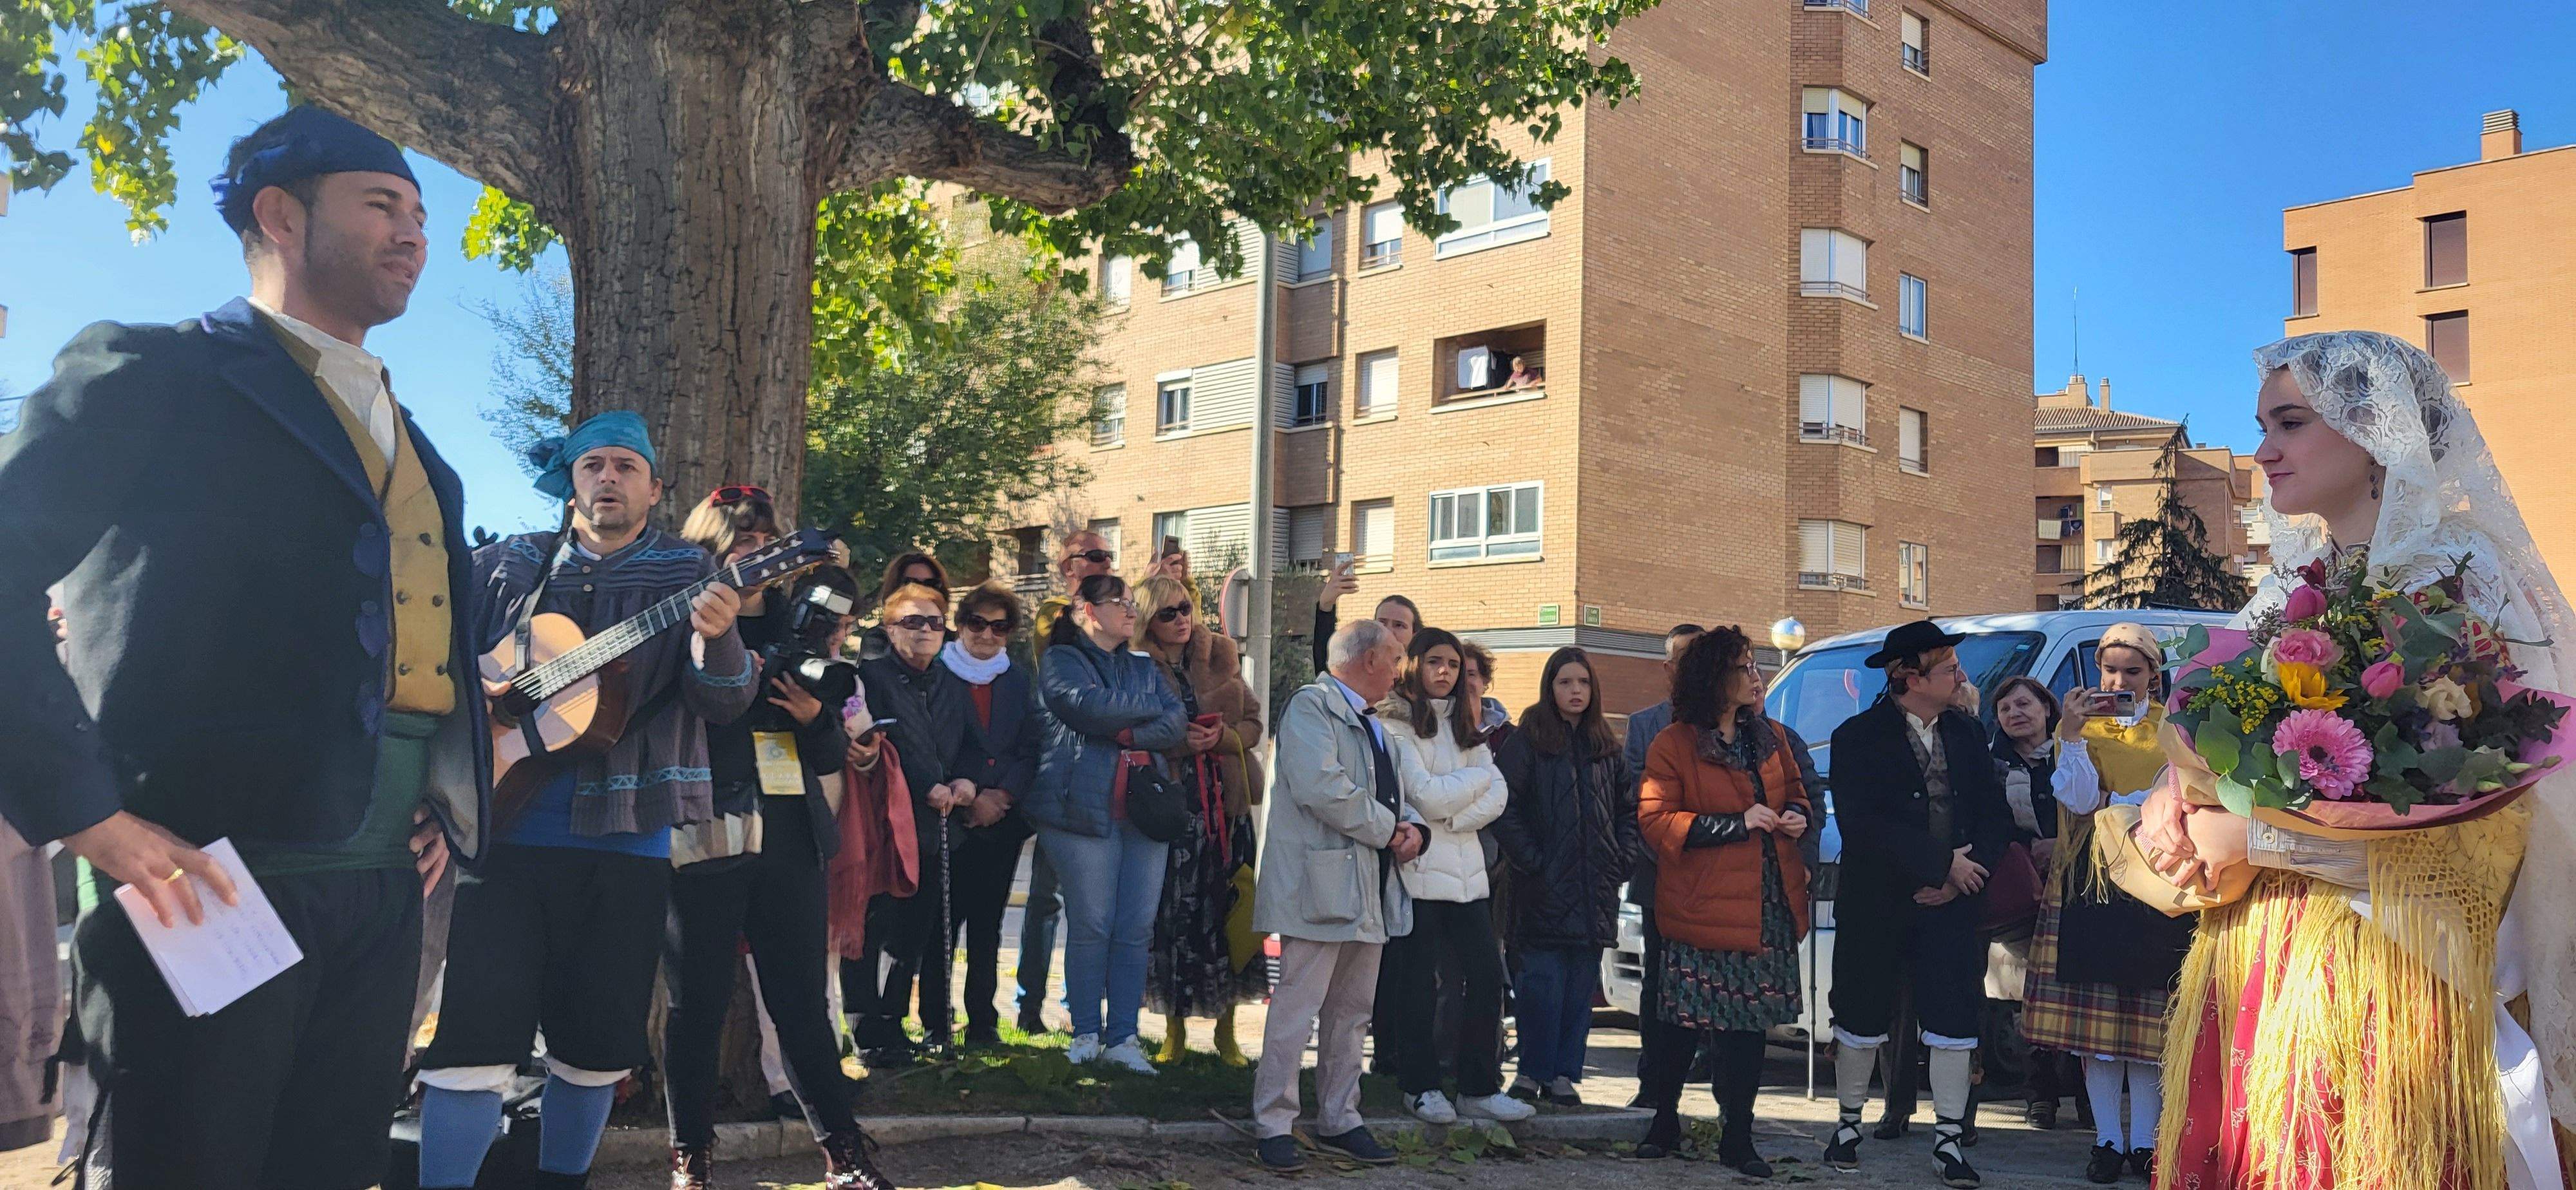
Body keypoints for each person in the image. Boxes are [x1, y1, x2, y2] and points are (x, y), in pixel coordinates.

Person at [0, 106, 482, 1189]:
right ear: (280, 213)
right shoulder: (156, 372)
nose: (415, 232)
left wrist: (442, 800)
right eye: (383, 204)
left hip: (384, 886)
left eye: (421, 214)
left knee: (331, 1168)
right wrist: (88, 813)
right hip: (200, 879)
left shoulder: (429, 456)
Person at [2122, 332, 2576, 1189]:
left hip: (2389, 977)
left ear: (2376, 434)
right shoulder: (2283, 589)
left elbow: (2488, 830)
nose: (2262, 452)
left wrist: (2259, 842)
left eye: (2290, 424)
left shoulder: (2467, 584)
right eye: (2262, 426)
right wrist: (2167, 796)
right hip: (2261, 955)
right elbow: (2204, 740)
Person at [416, 411, 762, 1189]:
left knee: (595, 1048)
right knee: (473, 1042)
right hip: (500, 836)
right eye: (593, 466)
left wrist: (720, 639)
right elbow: (432, 668)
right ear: (571, 484)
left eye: (625, 467)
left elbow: (725, 702)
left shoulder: (690, 577)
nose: (608, 478)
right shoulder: (506, 564)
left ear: (655, 486)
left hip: (625, 838)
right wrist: (483, 693)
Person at [662, 489, 882, 1189]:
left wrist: (817, 714)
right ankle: (691, 1159)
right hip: (702, 825)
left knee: (800, 1006)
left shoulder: (806, 625)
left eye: (761, 541)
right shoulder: (683, 625)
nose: (750, 552)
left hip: (789, 831)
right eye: (735, 541)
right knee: (694, 1006)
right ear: (707, 550)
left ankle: (845, 1156)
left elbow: (825, 756)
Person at [1819, 620, 2012, 1188]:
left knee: (1955, 1015)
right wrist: (1938, 865)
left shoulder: (1967, 733)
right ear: (1910, 676)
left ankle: (1949, 1141)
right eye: (1948, 666)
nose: (1960, 674)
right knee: (1859, 1012)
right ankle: (1848, 1128)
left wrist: (1961, 878)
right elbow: (1864, 826)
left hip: (1952, 904)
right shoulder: (1856, 736)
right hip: (1877, 902)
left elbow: (1992, 816)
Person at [1249, 621, 1429, 1172]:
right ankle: (1274, 1123)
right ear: (1369, 658)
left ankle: (1340, 1117)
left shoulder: (1377, 726)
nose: (1400, 672)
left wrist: (1416, 831)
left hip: (1367, 890)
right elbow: (1321, 787)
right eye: (1395, 659)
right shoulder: (1312, 708)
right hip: (1318, 888)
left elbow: (1397, 795)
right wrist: (1389, 829)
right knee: (1297, 1010)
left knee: (1352, 1014)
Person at [1636, 627, 1813, 1175]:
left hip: (1766, 904)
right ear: (1715, 679)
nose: (1756, 675)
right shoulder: (1675, 743)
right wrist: (1734, 824)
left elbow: (1800, 793)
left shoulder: (1772, 738)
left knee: (1748, 1027)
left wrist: (1798, 816)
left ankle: (1739, 1135)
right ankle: (1663, 1119)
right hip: (1702, 904)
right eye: (1744, 666)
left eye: (1755, 664)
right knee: (1680, 1023)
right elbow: (1654, 820)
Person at [2021, 625, 2194, 1184]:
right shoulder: (2080, 728)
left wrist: (2112, 800)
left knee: (2145, 1026)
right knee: (2098, 1032)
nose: (2118, 681)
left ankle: (2145, 1142)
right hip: (2089, 879)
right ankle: (2107, 1141)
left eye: (2132, 672)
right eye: (2110, 671)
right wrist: (2070, 738)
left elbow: (2172, 796)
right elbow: (2074, 797)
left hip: (2154, 878)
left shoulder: (2171, 727)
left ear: (2154, 675)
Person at [1028, 574, 1189, 1074]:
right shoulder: (1061, 660)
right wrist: (1141, 717)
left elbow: (1176, 721)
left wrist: (1118, 723)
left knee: (1135, 927)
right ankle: (1085, 1033)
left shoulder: (1142, 665)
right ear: (1086, 610)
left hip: (1143, 813)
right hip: (1080, 809)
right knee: (1093, 924)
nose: (1130, 609)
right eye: (1117, 602)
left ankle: (1123, 1038)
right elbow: (1082, 706)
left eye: (1128, 601)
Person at [1374, 629, 1533, 1125]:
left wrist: (1459, 819)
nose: (1445, 673)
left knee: (1486, 978)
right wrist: (1467, 794)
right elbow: (1425, 797)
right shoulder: (1396, 725)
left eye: (1454, 665)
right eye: (1435, 662)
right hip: (1420, 874)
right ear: (1414, 667)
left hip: (1469, 876)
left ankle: (1478, 1087)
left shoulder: (1467, 726)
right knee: (1419, 983)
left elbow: (1498, 793)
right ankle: (1420, 1086)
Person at [1490, 646, 1640, 1106]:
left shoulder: (1604, 745)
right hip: (1540, 891)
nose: (1575, 691)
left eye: (1583, 683)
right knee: (1540, 986)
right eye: (1565, 682)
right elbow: (1504, 806)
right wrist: (1533, 860)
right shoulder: (1528, 739)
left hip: (1594, 889)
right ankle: (1531, 1073)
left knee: (1579, 991)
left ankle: (1562, 1075)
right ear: (1550, 687)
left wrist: (1622, 858)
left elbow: (1628, 811)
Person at [1132, 576, 1269, 1065]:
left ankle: (1228, 1031)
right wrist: (1177, 744)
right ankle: (1174, 1030)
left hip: (1227, 811)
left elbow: (1255, 723)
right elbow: (1130, 734)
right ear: (1148, 618)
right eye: (1168, 613)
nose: (1182, 619)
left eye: (1185, 608)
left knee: (1231, 913)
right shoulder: (1135, 669)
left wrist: (1226, 737)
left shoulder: (1221, 656)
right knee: (1176, 922)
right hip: (1175, 811)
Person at [846, 581, 976, 1064]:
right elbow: (878, 742)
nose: (924, 631)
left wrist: (966, 780)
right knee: (872, 928)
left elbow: (971, 745)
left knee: (914, 935)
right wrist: (926, 784)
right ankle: (866, 1028)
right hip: (883, 824)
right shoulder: (870, 679)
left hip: (939, 829)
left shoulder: (952, 684)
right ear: (889, 628)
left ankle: (894, 1022)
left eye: (934, 623)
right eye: (912, 622)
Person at [1020, 529, 1117, 1032]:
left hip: (1107, 777)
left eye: (1108, 557)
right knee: (1044, 897)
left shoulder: (1122, 614)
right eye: (1093, 556)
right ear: (1067, 567)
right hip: (1060, 771)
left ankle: (1081, 1010)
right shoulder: (1054, 613)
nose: (1103, 564)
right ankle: (1029, 1006)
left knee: (1096, 905)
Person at [945, 582, 1046, 1048]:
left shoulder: (1018, 679)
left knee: (988, 927)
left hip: (1001, 821)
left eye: (1000, 626)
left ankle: (983, 1022)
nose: (987, 634)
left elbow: (1029, 748)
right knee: (941, 927)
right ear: (961, 624)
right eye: (977, 623)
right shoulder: (939, 672)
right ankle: (934, 1019)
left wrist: (1001, 795)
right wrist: (970, 798)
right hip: (949, 816)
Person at [1982, 676, 2080, 1133]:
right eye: (2004, 709)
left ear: (2046, 708)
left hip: (2079, 882)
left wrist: (2062, 845)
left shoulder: (2074, 752)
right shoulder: (1992, 766)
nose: (2015, 714)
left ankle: (2083, 1094)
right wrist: (2026, 846)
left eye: (2024, 704)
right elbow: (1986, 825)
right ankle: (2040, 1095)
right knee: (2031, 994)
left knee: (2079, 990)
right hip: (2023, 893)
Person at [1622, 624, 1707, 1104]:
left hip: (1714, 879)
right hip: (1661, 873)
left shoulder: (1728, 724)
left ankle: (1711, 1071)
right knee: (1659, 980)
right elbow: (1641, 801)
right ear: (1668, 668)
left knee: (1709, 977)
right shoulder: (1643, 726)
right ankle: (1653, 1086)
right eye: (1685, 657)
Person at [1309, 569, 1421, 675]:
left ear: (1414, 634)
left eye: (1399, 625)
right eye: (1382, 623)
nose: (1389, 631)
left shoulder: (1424, 678)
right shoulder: (1361, 672)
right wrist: (1326, 607)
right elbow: (1329, 669)